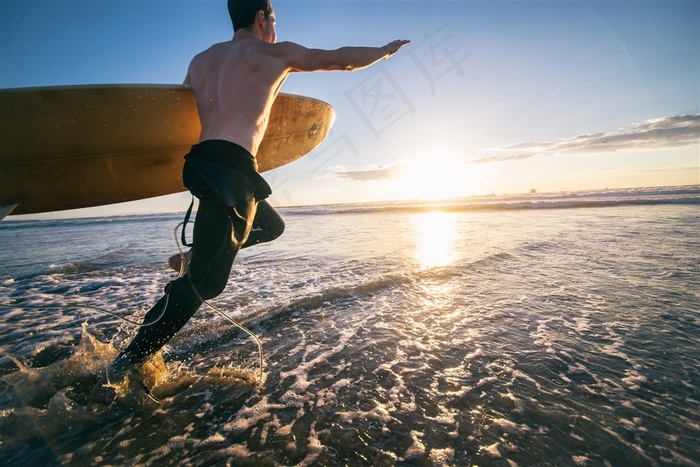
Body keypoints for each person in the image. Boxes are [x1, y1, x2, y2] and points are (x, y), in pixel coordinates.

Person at [92, 0, 409, 402]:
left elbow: (177, 110)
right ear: (262, 17)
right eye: (274, 17)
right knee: (205, 285)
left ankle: (194, 257)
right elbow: (340, 61)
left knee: (270, 225)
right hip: (232, 168)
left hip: (203, 163)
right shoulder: (272, 52)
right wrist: (383, 50)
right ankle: (124, 364)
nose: (275, 25)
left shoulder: (202, 60)